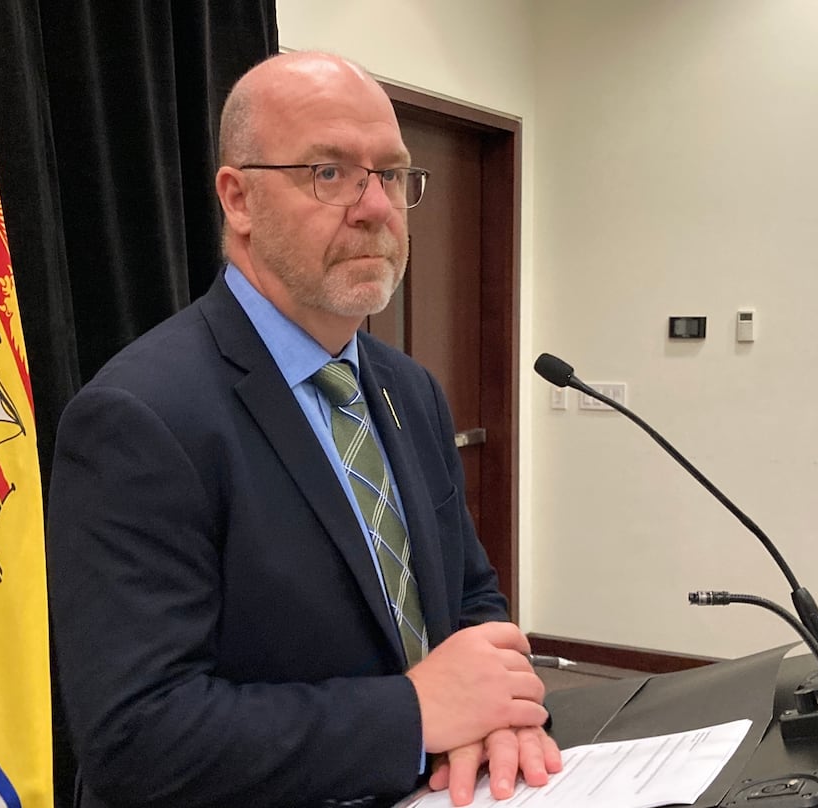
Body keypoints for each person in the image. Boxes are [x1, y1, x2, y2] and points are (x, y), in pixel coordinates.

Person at [46, 51, 561, 808]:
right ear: (239, 198)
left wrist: (504, 715)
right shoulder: (139, 417)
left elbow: (467, 596)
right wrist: (415, 715)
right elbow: (139, 737)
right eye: (329, 172)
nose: (374, 206)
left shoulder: (407, 389)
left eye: (390, 174)